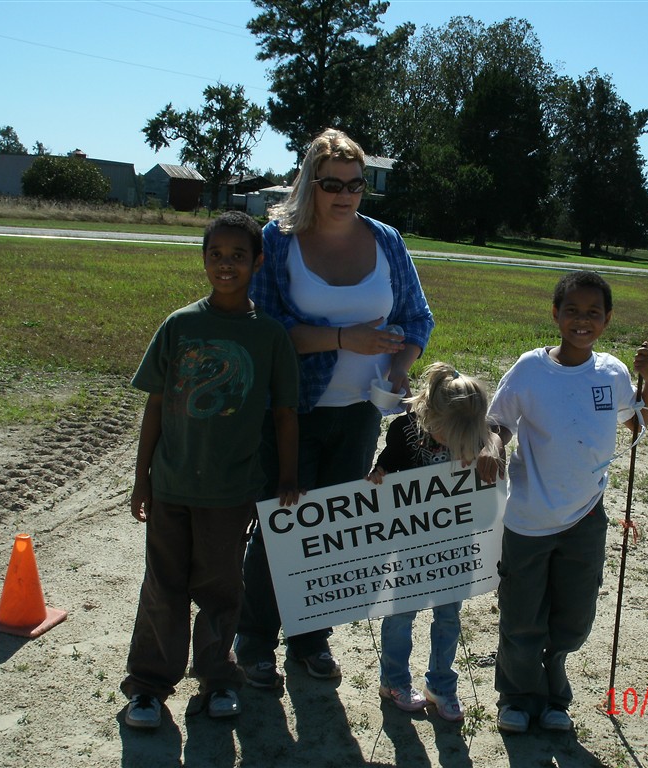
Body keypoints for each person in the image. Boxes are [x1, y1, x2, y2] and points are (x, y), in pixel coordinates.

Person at [236, 128, 434, 688]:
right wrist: (344, 339)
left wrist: (400, 366)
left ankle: (309, 639)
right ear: (310, 183)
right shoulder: (278, 241)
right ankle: (253, 641)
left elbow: (416, 318)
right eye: (332, 184)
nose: (344, 195)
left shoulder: (386, 240)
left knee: (329, 527)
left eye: (355, 184)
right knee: (279, 523)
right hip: (289, 411)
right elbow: (264, 326)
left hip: (361, 410)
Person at [120, 211, 300, 729]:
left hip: (230, 491)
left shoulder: (269, 336)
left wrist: (287, 478)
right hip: (171, 484)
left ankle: (219, 680)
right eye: (216, 255)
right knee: (163, 587)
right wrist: (142, 478)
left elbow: (285, 414)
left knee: (221, 590)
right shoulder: (180, 325)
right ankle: (149, 687)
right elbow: (156, 404)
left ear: (257, 262)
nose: (226, 265)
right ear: (203, 260)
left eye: (238, 256)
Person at [479, 270, 648, 734]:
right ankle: (517, 697)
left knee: (574, 620)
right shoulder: (530, 369)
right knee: (522, 618)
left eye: (593, 312)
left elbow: (637, 424)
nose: (583, 320)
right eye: (573, 311)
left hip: (586, 516)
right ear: (556, 314)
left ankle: (554, 694)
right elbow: (499, 422)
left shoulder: (613, 372)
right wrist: (493, 447)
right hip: (528, 518)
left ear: (607, 319)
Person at [366, 362, 493, 722]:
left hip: (456, 543)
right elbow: (387, 463)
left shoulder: (477, 435)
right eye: (447, 433)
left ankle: (441, 685)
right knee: (400, 613)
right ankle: (393, 681)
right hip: (409, 541)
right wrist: (379, 474)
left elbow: (487, 486)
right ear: (430, 415)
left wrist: (486, 457)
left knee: (448, 616)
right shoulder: (404, 429)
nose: (452, 441)